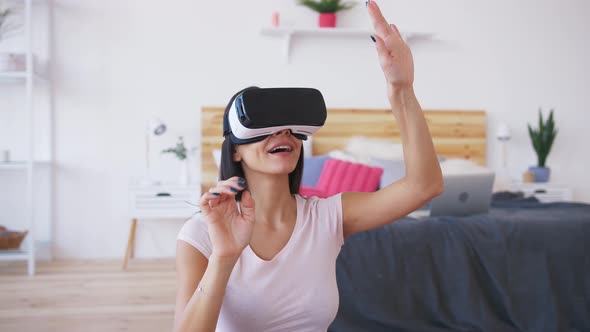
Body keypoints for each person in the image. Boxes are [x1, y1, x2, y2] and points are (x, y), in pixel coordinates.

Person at [173, 1, 443, 331]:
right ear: (236, 153)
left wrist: (401, 89)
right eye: (266, 127)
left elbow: (423, 186)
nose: (282, 132)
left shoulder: (327, 218)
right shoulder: (201, 234)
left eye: (289, 127)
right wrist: (224, 257)